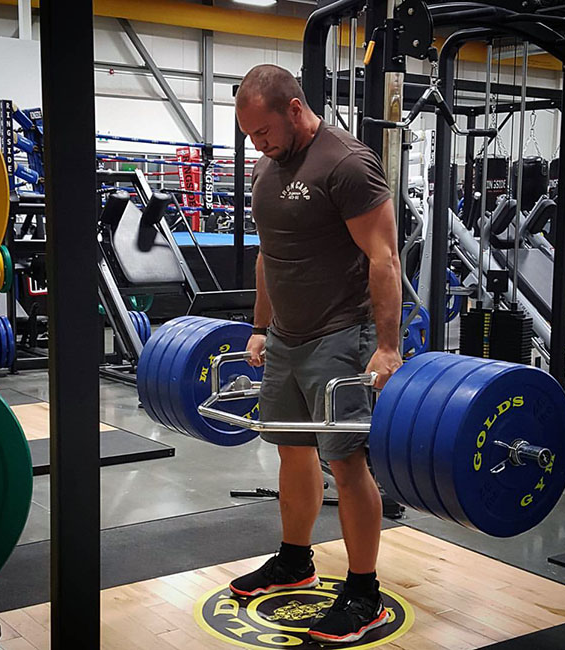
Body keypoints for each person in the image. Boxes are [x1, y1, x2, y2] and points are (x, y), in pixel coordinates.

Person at [230, 63, 402, 645]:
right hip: (286, 339)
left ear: (296, 109)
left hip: (339, 334)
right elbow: (267, 257)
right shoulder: (266, 169)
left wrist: (386, 346)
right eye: (250, 135)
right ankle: (294, 560)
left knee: (347, 464)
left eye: (263, 131)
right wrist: (260, 328)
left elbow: (383, 258)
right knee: (291, 452)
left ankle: (363, 592)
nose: (258, 144)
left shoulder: (347, 164)